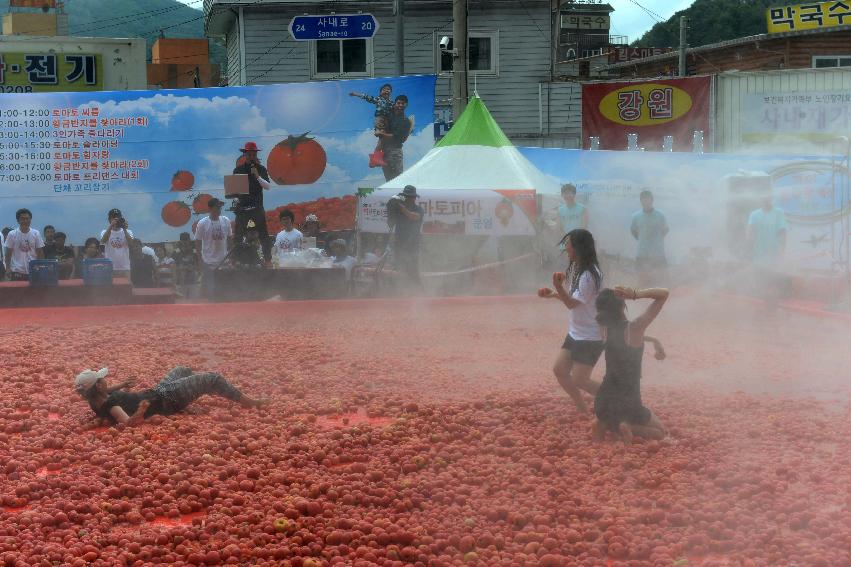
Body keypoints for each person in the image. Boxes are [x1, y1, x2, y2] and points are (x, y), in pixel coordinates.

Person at [592, 286, 669, 444]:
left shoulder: (604, 329)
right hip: (628, 402)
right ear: (622, 306)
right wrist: (635, 294)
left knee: (607, 422)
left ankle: (602, 424)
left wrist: (655, 340)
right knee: (661, 433)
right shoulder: (635, 328)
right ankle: (628, 427)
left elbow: (626, 334)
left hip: (603, 400)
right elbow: (664, 294)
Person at [539, 229, 604, 414]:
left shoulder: (589, 275)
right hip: (576, 332)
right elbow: (577, 302)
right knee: (559, 370)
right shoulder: (580, 270)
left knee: (580, 380)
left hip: (590, 336)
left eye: (568, 244)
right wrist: (554, 294)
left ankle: (617, 398)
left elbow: (570, 303)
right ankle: (582, 407)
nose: (565, 248)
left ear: (578, 248)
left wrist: (558, 287)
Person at [74, 366, 266, 427]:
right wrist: (140, 411)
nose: (107, 381)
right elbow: (128, 424)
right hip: (169, 399)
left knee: (183, 369)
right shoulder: (112, 406)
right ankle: (249, 402)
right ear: (99, 385)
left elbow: (106, 393)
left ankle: (198, 389)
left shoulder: (95, 400)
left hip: (159, 391)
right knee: (212, 378)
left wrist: (123, 385)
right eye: (103, 379)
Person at [232, 141, 272, 266]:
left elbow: (268, 187)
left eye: (253, 154)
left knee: (263, 235)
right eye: (249, 154)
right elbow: (235, 191)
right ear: (245, 155)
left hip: (257, 207)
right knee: (238, 235)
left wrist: (258, 176)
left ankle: (267, 260)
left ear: (256, 155)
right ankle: (237, 261)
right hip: (243, 208)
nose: (251, 157)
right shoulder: (238, 170)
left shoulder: (261, 169)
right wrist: (236, 199)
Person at [747, 195, 787, 308]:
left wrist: (782, 250)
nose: (766, 201)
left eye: (768, 199)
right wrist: (748, 249)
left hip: (773, 253)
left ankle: (772, 304)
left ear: (771, 200)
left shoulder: (779, 213)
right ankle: (766, 304)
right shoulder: (754, 214)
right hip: (758, 253)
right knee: (761, 280)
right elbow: (749, 232)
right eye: (764, 199)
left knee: (772, 280)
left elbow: (783, 232)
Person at [194, 197, 232, 299]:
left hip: (223, 261)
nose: (219, 209)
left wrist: (230, 256)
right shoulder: (202, 223)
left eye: (220, 207)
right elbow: (197, 241)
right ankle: (212, 309)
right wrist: (199, 260)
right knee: (211, 290)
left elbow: (229, 238)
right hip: (208, 262)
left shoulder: (226, 220)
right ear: (210, 209)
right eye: (217, 207)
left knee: (225, 289)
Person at [630, 190, 669, 287]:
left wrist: (656, 241)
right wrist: (643, 240)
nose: (645, 201)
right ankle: (643, 301)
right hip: (642, 254)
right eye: (643, 199)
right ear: (640, 201)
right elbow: (633, 231)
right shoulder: (636, 216)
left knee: (661, 281)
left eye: (647, 199)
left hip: (658, 254)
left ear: (652, 200)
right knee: (642, 281)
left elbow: (665, 230)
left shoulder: (660, 215)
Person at [349, 83, 393, 167]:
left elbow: (395, 111)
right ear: (380, 93)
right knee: (382, 139)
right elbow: (366, 97)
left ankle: (377, 159)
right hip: (380, 120)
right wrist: (355, 94)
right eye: (384, 89)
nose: (386, 90)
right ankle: (374, 161)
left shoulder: (391, 102)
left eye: (388, 89)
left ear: (390, 92)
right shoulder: (378, 99)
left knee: (384, 140)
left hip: (388, 121)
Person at [387, 185, 424, 284]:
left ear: (414, 198)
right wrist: (390, 209)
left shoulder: (418, 209)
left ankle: (418, 293)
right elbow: (390, 223)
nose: (408, 199)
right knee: (398, 271)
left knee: (412, 272)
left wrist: (401, 207)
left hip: (412, 246)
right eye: (406, 196)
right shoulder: (399, 211)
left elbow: (414, 217)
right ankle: (398, 293)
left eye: (410, 197)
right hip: (399, 245)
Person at [379, 95, 414, 182]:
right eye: (398, 103)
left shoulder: (405, 121)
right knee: (388, 179)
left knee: (397, 179)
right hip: (384, 152)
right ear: (395, 103)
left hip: (395, 152)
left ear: (406, 105)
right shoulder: (390, 115)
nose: (400, 105)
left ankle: (398, 195)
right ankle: (391, 196)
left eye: (403, 103)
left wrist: (382, 134)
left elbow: (397, 137)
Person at [5, 208, 45, 281]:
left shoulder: (36, 233)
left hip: (33, 270)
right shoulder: (12, 234)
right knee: (16, 292)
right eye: (22, 219)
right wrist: (7, 268)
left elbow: (40, 252)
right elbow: (8, 254)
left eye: (27, 218)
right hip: (16, 271)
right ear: (18, 220)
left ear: (30, 220)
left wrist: (41, 267)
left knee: (34, 292)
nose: (25, 221)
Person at [100, 208, 135, 279]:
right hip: (110, 267)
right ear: (109, 220)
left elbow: (131, 243)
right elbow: (103, 241)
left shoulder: (129, 231)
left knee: (126, 288)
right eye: (113, 218)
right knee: (111, 289)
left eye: (118, 217)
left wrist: (124, 228)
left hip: (125, 267)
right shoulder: (104, 232)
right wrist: (110, 226)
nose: (116, 219)